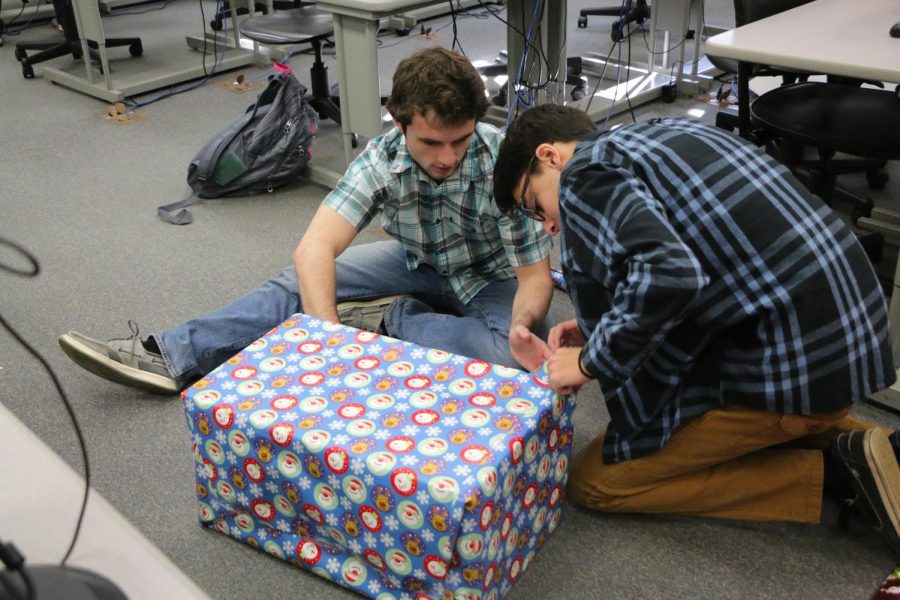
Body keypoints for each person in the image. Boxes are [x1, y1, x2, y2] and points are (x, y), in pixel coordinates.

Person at [492, 103, 900, 556]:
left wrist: (591, 361)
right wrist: (602, 328)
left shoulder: (583, 175)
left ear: (549, 156)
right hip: (848, 340)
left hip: (798, 367)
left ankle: (842, 478)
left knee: (596, 483)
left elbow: (672, 274)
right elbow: (697, 260)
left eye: (534, 204)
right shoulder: (661, 131)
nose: (549, 224)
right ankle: (879, 449)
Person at [58, 47, 553, 395]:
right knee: (301, 280)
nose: (447, 157)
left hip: (491, 277)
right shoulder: (380, 160)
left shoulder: (500, 160)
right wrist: (329, 339)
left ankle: (388, 319)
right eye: (430, 143)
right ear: (400, 124)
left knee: (514, 359)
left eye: (459, 140)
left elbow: (534, 276)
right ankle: (169, 355)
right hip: (416, 263)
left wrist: (523, 325)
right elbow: (314, 248)